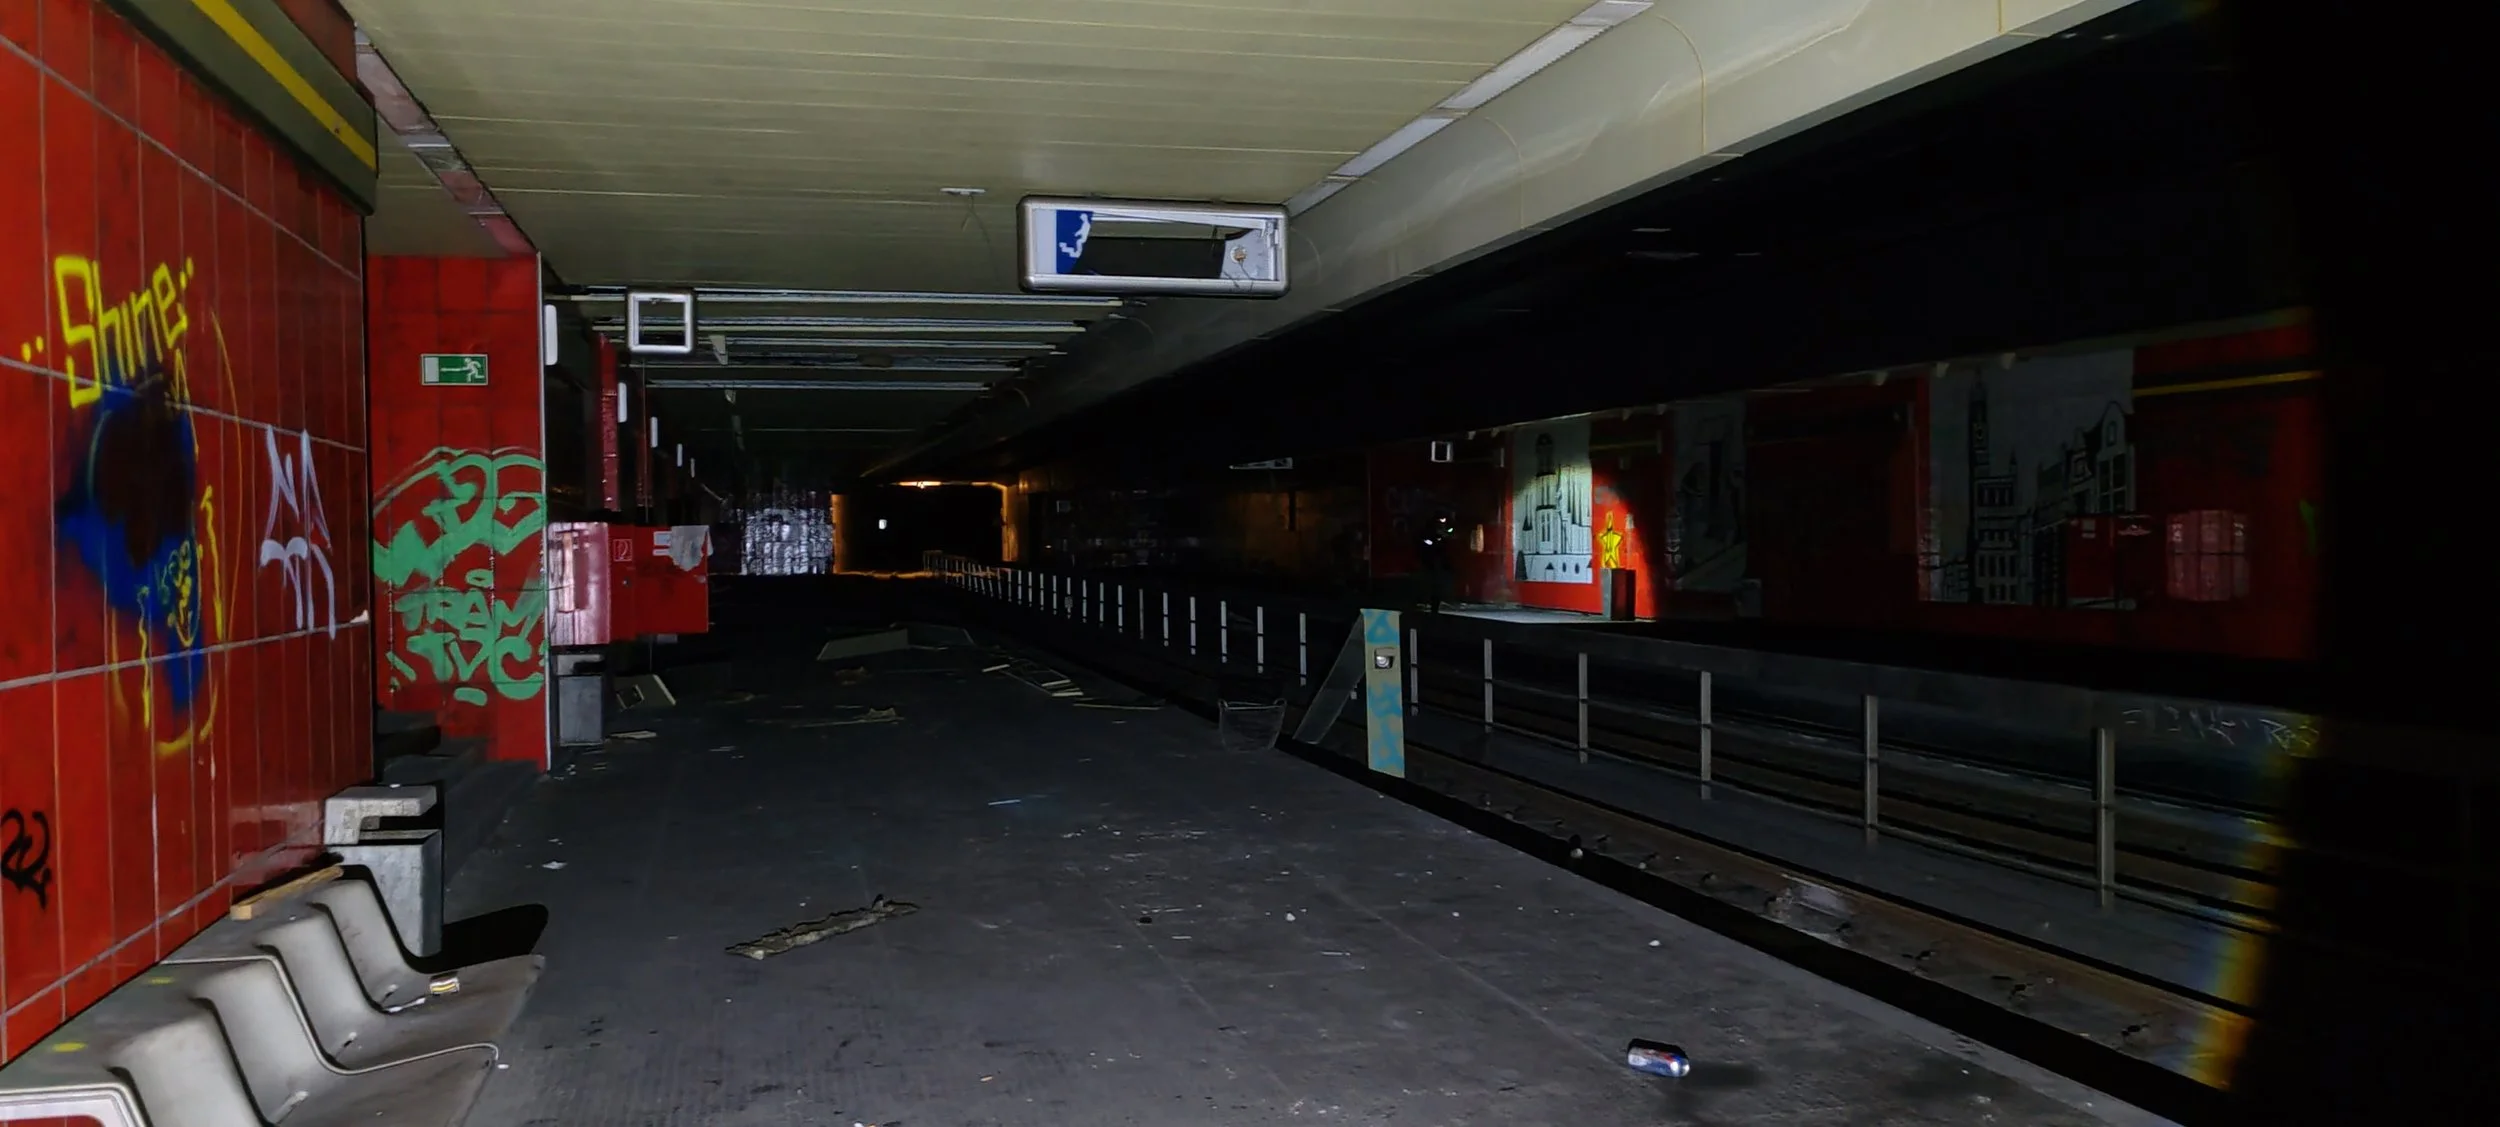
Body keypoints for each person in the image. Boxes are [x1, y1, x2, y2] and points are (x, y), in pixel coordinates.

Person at [1415, 510, 1458, 613]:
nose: (1442, 521)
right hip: (1432, 558)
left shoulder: (1448, 526)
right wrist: (1431, 542)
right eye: (1440, 519)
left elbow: (1452, 533)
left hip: (1442, 559)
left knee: (1441, 581)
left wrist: (1447, 535)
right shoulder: (1429, 528)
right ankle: (1430, 602)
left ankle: (1441, 600)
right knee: (1432, 582)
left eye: (1444, 519)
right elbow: (1424, 540)